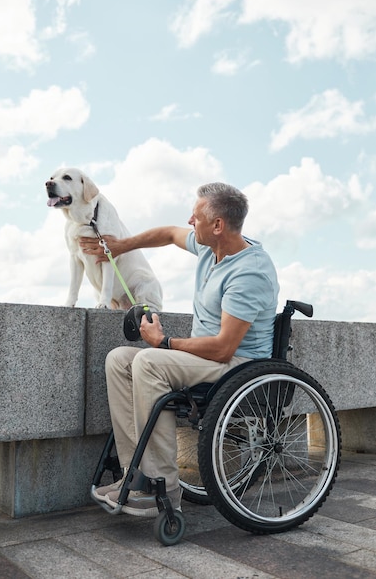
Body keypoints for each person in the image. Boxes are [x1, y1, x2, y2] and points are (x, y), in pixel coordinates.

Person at [80, 182, 279, 517]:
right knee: (119, 359)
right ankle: (135, 475)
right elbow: (169, 234)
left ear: (217, 225)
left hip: (239, 366)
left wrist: (164, 342)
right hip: (203, 358)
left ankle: (164, 488)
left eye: (196, 216)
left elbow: (223, 348)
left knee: (149, 361)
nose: (189, 220)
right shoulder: (210, 248)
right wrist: (121, 246)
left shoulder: (249, 272)